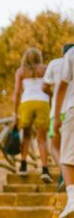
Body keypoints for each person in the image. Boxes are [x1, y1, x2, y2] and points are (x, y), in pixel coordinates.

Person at [12, 46, 51, 182]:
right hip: (42, 103)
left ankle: (23, 165)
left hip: (26, 103)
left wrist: (15, 113)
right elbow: (50, 87)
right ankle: (45, 169)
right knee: (42, 138)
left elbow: (17, 93)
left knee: (26, 135)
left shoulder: (21, 71)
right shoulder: (45, 69)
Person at [42, 44, 74, 187]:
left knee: (54, 146)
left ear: (62, 52)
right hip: (71, 109)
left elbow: (44, 86)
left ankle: (64, 174)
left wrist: (52, 95)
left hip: (59, 110)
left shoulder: (54, 63)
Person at [55, 45, 74, 218]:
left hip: (73, 108)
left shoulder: (71, 54)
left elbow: (62, 86)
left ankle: (72, 201)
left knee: (67, 156)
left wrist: (56, 117)